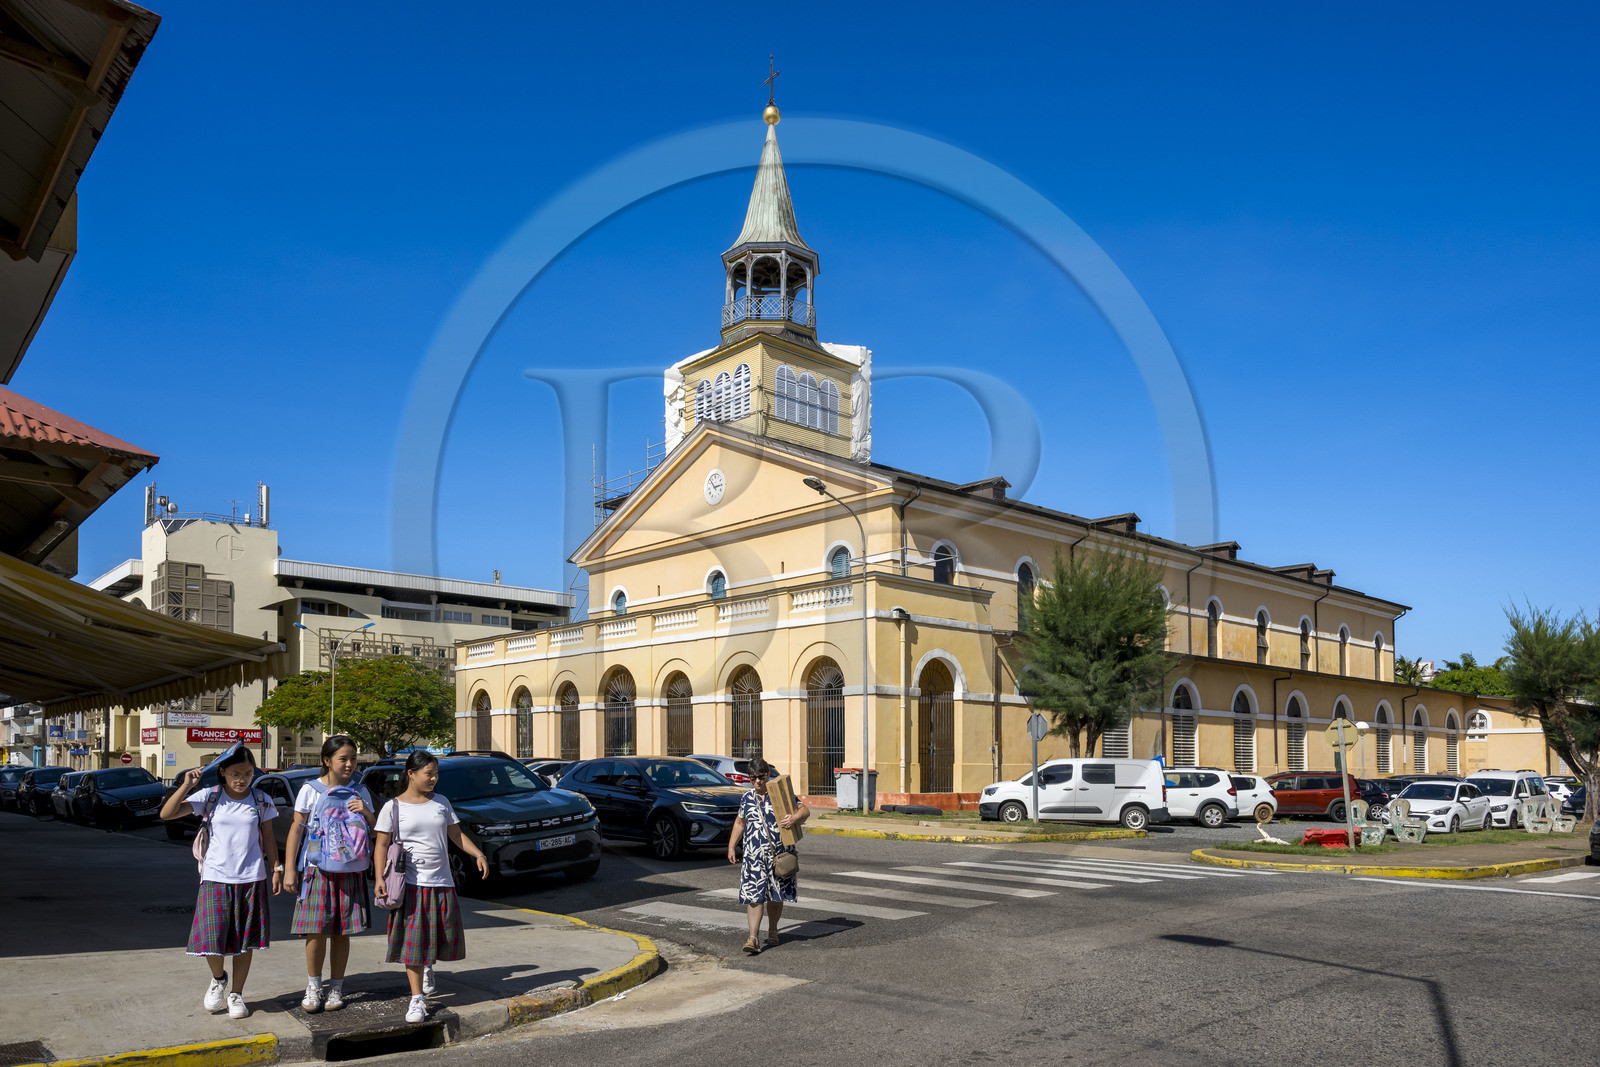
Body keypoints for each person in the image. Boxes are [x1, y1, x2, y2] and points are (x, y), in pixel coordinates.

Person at [159, 742, 280, 1019]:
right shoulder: (210, 796)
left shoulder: (261, 800)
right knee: (211, 938)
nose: (242, 779)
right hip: (215, 877)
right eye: (236, 773)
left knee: (244, 941)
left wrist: (277, 869)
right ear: (223, 772)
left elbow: (270, 839)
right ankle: (218, 979)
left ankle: (237, 994)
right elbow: (166, 814)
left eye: (248, 773)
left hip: (252, 878)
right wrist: (187, 785)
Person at [373, 751, 489, 1023]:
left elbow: (456, 834)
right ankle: (417, 1000)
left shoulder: (442, 802)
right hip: (410, 884)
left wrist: (478, 854)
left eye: (436, 774)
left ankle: (427, 966)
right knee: (413, 944)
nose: (434, 779)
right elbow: (381, 844)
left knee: (436, 936)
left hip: (441, 882)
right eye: (429, 774)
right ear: (411, 774)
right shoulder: (393, 807)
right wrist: (379, 877)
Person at [282, 735, 375, 1013]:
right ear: (327, 760)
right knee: (315, 930)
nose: (349, 764)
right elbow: (297, 829)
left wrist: (366, 812)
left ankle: (336, 987)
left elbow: (376, 828)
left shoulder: (360, 791)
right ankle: (314, 986)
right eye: (343, 759)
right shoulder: (310, 790)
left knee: (342, 931)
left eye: (353, 759)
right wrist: (289, 869)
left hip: (350, 868)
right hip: (316, 869)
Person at [727, 757, 810, 954]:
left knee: (776, 894)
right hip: (753, 857)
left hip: (778, 856)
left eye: (761, 777)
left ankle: (773, 930)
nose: (757, 781)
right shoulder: (747, 798)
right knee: (753, 896)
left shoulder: (780, 794)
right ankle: (753, 937)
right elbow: (740, 822)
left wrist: (794, 818)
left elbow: (805, 810)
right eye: (753, 778)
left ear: (768, 775)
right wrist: (732, 846)